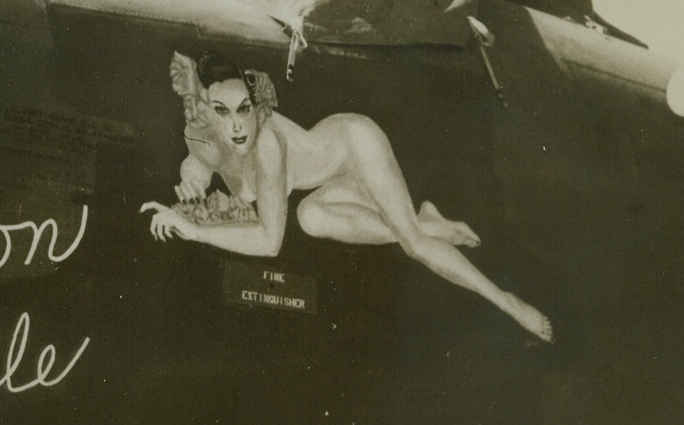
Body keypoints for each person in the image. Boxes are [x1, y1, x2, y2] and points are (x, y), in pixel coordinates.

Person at [140, 50, 553, 343]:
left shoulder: (266, 145)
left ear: (253, 104)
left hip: (355, 144)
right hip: (330, 177)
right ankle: (425, 220)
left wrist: (193, 229)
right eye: (222, 111)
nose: (236, 125)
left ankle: (506, 301)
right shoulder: (200, 131)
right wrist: (190, 177)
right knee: (311, 217)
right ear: (206, 111)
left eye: (244, 108)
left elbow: (269, 241)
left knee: (414, 245)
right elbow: (199, 161)